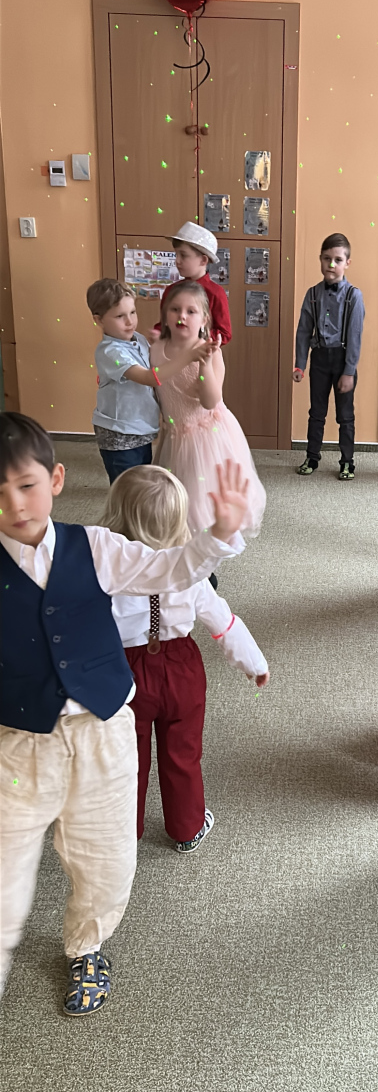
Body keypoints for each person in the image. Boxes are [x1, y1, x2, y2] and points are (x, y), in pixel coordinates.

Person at [0, 411, 249, 1015]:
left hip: (103, 727)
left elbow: (168, 568)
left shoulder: (96, 546)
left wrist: (215, 535)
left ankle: (87, 946)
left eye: (26, 485)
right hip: (20, 738)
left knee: (107, 856)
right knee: (6, 860)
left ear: (56, 480)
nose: (15, 504)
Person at [101, 466, 269, 853]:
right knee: (183, 751)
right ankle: (187, 827)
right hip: (181, 670)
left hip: (125, 674)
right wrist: (254, 663)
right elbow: (223, 622)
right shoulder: (192, 575)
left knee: (127, 757)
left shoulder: (107, 574)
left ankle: (125, 831)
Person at [151, 280, 266, 544]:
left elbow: (210, 400)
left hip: (206, 437)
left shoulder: (211, 354)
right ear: (165, 316)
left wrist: (203, 365)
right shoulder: (156, 349)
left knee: (200, 498)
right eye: (175, 310)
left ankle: (206, 549)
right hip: (173, 434)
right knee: (175, 496)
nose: (182, 316)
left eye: (191, 311)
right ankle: (180, 543)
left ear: (204, 319)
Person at [88, 279, 202, 485]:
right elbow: (149, 377)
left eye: (132, 312)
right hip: (119, 434)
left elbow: (155, 362)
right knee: (128, 489)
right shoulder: (110, 352)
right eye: (120, 316)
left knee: (142, 484)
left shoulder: (138, 339)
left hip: (142, 428)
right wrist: (188, 356)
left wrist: (159, 343)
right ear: (99, 320)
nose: (130, 321)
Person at [293, 233, 365, 481]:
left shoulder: (354, 296)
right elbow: (303, 331)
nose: (331, 264)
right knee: (316, 412)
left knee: (345, 415)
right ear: (320, 260)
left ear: (347, 263)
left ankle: (347, 462)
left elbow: (355, 335)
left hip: (344, 360)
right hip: (320, 359)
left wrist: (349, 371)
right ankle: (312, 457)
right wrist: (300, 364)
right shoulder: (312, 294)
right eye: (326, 258)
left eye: (338, 259)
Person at [167, 222, 232, 347]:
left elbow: (224, 333)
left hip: (203, 354)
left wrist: (195, 337)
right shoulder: (172, 290)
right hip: (172, 353)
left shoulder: (216, 293)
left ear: (203, 260)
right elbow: (164, 324)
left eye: (183, 255)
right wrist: (158, 333)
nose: (177, 261)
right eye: (176, 255)